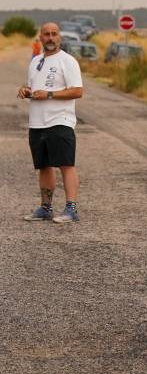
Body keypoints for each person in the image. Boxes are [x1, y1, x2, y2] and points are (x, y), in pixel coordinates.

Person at [19, 22, 85, 224]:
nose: (50, 37)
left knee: (66, 164)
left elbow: (77, 91)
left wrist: (49, 94)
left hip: (60, 121)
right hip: (37, 122)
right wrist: (26, 90)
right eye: (46, 34)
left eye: (54, 34)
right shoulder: (36, 61)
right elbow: (34, 86)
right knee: (44, 166)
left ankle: (71, 209)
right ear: (40, 37)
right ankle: (46, 208)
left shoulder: (68, 61)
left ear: (59, 37)